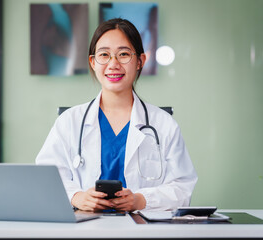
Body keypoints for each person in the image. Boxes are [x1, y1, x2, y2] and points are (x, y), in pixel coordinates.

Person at [36, 18, 197, 212]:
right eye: (104, 54)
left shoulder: (164, 125)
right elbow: (47, 179)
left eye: (123, 54)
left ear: (140, 61)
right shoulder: (69, 122)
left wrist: (141, 200)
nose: (113, 64)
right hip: (84, 229)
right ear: (93, 62)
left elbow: (183, 186)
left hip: (143, 230)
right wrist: (76, 197)